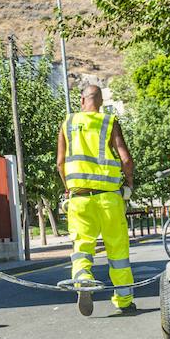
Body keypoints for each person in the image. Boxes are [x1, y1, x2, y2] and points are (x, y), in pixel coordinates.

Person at [57, 83, 136, 317]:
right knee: (118, 251)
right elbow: (126, 159)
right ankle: (123, 300)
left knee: (82, 246)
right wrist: (129, 185)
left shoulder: (67, 124)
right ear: (100, 102)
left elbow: (60, 163)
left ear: (82, 101)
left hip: (79, 198)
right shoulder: (109, 122)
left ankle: (82, 280)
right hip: (109, 199)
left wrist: (68, 189)